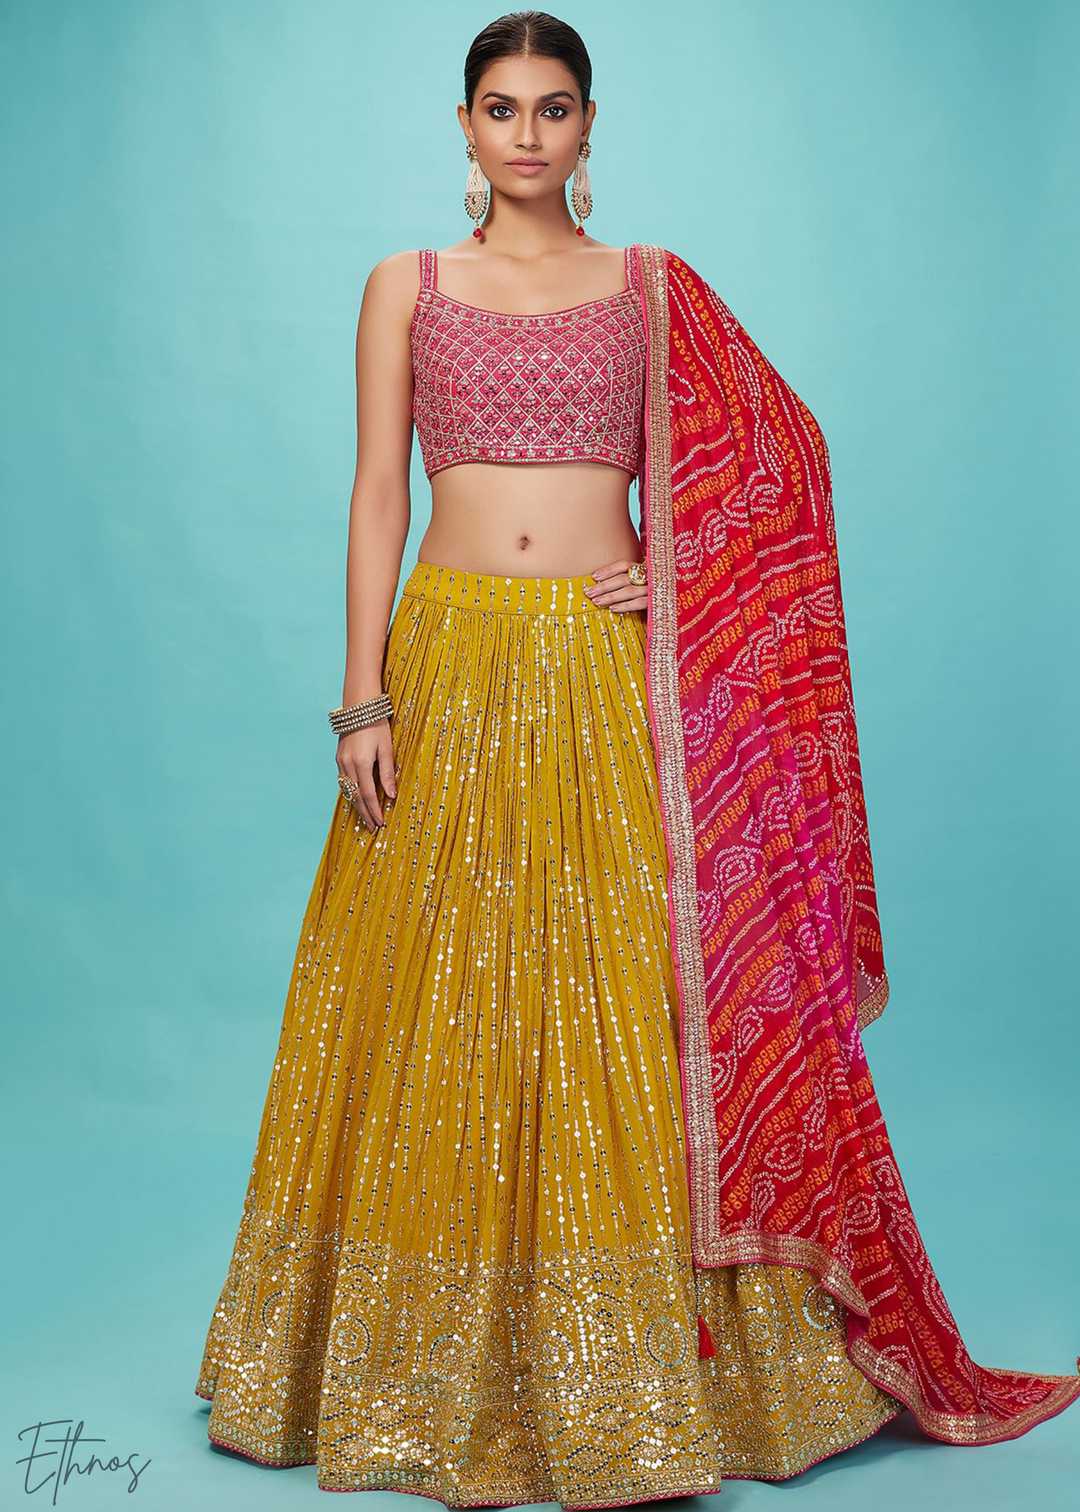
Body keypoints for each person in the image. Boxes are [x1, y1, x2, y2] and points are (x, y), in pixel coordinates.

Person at [195, 10, 1080, 1507]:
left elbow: (781, 462)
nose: (526, 134)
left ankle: (649, 1382)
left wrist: (683, 575)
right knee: (439, 994)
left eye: (553, 108)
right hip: (448, 664)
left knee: (624, 993)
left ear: (589, 126)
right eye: (500, 108)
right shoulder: (406, 285)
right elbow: (374, 496)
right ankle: (430, 1373)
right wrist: (361, 701)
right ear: (463, 126)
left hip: (610, 674)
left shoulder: (652, 287)